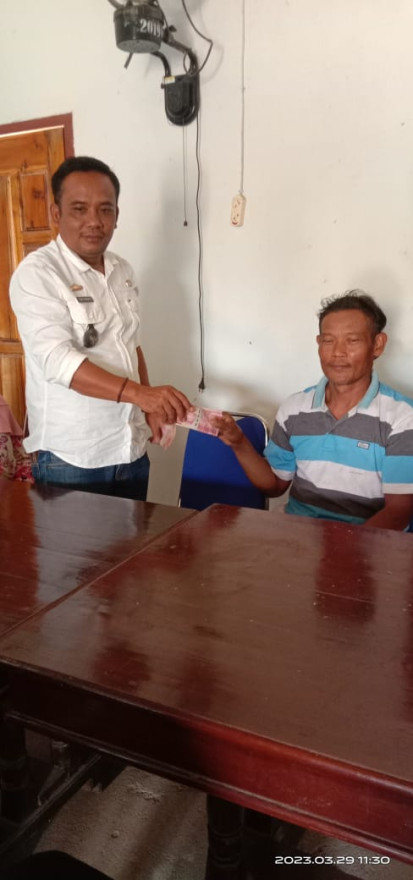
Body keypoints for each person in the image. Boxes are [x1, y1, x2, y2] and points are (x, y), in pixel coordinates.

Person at [10, 155, 191, 500]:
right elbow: (58, 361)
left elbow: (132, 346)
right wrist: (142, 395)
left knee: (135, 537)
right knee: (74, 540)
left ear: (116, 216)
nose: (94, 221)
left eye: (105, 210)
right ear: (56, 213)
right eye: (79, 209)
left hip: (130, 448)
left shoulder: (122, 271)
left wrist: (149, 406)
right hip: (73, 458)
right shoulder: (38, 274)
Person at [214, 290, 413, 530]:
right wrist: (238, 443)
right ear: (318, 344)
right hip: (298, 536)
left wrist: (343, 549)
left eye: (352, 340)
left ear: (377, 345)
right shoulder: (295, 409)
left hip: (367, 544)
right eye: (328, 340)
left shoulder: (402, 417)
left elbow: (399, 510)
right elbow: (274, 485)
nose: (337, 352)